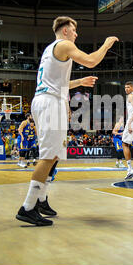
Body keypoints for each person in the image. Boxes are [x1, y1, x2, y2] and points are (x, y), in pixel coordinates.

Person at [16, 16, 118, 226]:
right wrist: (106, 44)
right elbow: (90, 61)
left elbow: (58, 83)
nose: (76, 34)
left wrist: (79, 82)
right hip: (49, 103)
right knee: (48, 156)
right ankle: (27, 207)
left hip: (47, 100)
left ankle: (41, 200)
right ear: (64, 31)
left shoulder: (50, 49)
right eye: (73, 30)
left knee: (54, 156)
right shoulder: (64, 45)